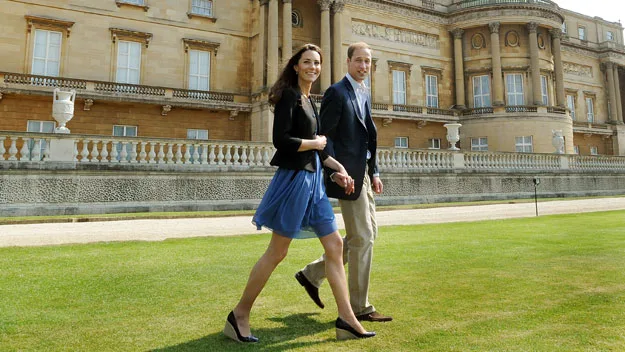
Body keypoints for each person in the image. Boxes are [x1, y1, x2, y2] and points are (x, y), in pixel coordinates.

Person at [223, 44, 375, 343]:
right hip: (295, 180)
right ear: (296, 66)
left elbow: (318, 147)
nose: (313, 67)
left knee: (334, 246)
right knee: (277, 252)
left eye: (317, 63)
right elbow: (281, 140)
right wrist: (316, 145)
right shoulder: (290, 96)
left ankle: (347, 319)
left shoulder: (309, 99)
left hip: (315, 179)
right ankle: (239, 314)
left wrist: (337, 169)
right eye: (307, 62)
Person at [295, 42, 392, 323]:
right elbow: (326, 137)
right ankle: (360, 307)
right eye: (359, 61)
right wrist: (336, 171)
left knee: (366, 234)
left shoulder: (364, 93)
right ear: (348, 62)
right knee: (363, 238)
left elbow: (368, 138)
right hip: (347, 176)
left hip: (363, 174)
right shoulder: (337, 92)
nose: (364, 66)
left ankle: (311, 274)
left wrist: (375, 172)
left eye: (368, 62)